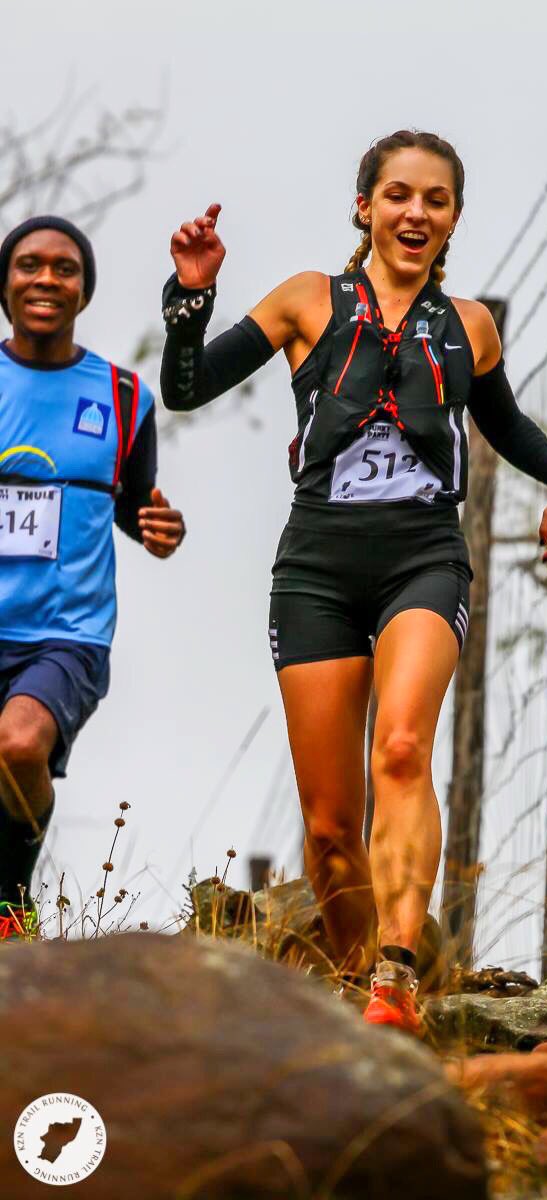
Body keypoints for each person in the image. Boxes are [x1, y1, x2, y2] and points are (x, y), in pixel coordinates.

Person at [160, 130, 547, 1033]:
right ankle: (358, 980)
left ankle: (396, 974)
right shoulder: (306, 300)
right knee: (329, 828)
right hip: (316, 567)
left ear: (454, 219)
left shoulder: (469, 326)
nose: (415, 212)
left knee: (400, 749)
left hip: (422, 557)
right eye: (398, 195)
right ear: (365, 207)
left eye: (436, 200)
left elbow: (504, 422)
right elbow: (187, 387)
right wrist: (191, 298)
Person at [0, 216, 186, 940]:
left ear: (85, 289)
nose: (46, 278)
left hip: (65, 634)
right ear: (5, 284)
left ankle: (10, 903)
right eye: (29, 265)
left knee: (19, 746)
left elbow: (135, 506)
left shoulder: (122, 395)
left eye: (65, 268)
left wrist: (158, 528)